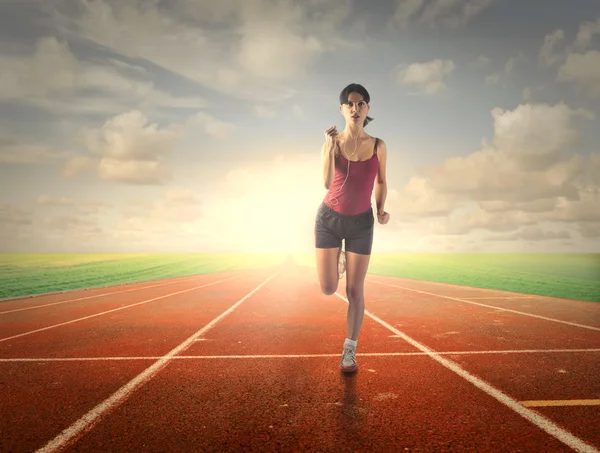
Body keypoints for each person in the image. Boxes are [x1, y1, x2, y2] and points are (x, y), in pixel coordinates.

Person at [314, 83, 390, 373]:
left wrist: (381, 208)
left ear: (368, 109)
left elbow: (381, 181)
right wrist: (329, 148)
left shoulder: (378, 145)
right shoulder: (331, 143)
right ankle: (338, 257)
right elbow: (326, 183)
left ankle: (350, 350)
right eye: (350, 104)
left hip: (360, 223)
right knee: (328, 288)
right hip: (329, 221)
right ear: (342, 109)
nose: (355, 109)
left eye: (361, 104)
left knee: (355, 290)